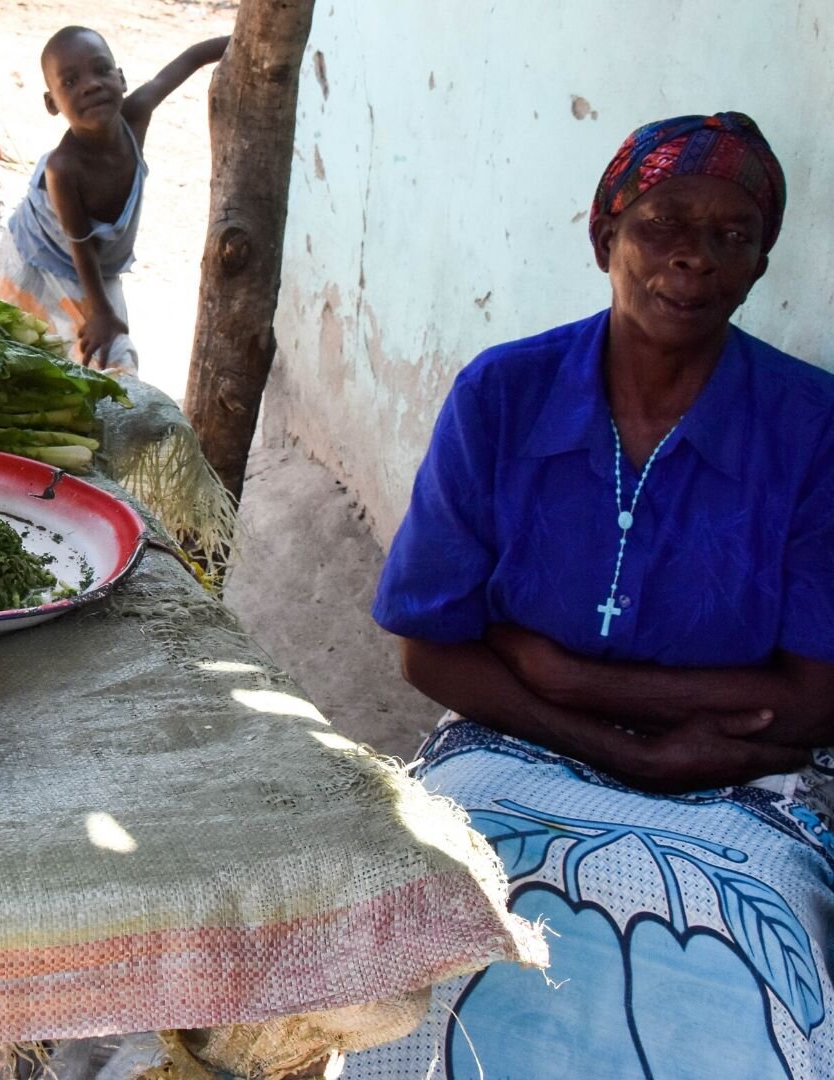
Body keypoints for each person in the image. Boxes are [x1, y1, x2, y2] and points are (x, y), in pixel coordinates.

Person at [344, 113, 834, 1078]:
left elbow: (815, 700)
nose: (693, 260)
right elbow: (430, 649)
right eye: (663, 226)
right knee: (423, 911)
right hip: (522, 735)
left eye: (732, 236)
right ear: (606, 237)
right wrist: (616, 741)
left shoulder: (812, 429)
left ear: (761, 263)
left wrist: (560, 672)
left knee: (768, 943)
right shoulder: (501, 396)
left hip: (741, 772)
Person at [0, 26, 229, 373]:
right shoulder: (63, 167)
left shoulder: (137, 113)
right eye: (70, 82)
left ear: (122, 78)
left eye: (101, 70)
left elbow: (192, 57)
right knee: (22, 355)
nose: (91, 84)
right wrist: (101, 312)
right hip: (36, 258)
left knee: (103, 363)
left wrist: (250, 41)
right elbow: (78, 242)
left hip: (95, 266)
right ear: (51, 103)